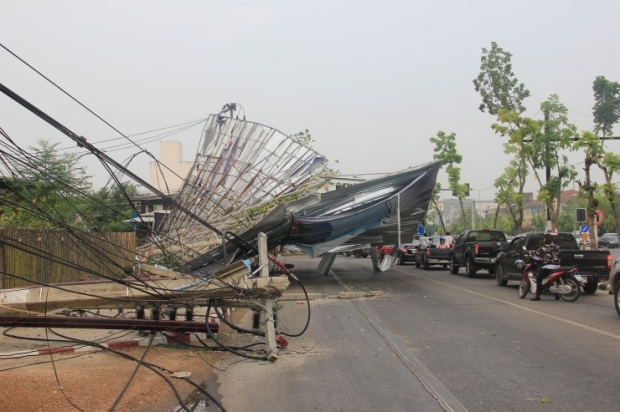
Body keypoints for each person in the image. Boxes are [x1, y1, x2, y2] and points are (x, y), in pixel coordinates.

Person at [530, 232, 561, 301]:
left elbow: (535, 253)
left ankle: (537, 295)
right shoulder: (556, 246)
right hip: (557, 265)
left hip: (548, 266)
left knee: (539, 278)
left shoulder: (544, 247)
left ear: (546, 239)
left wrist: (529, 254)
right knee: (555, 279)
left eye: (544, 238)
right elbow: (559, 253)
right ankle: (557, 294)